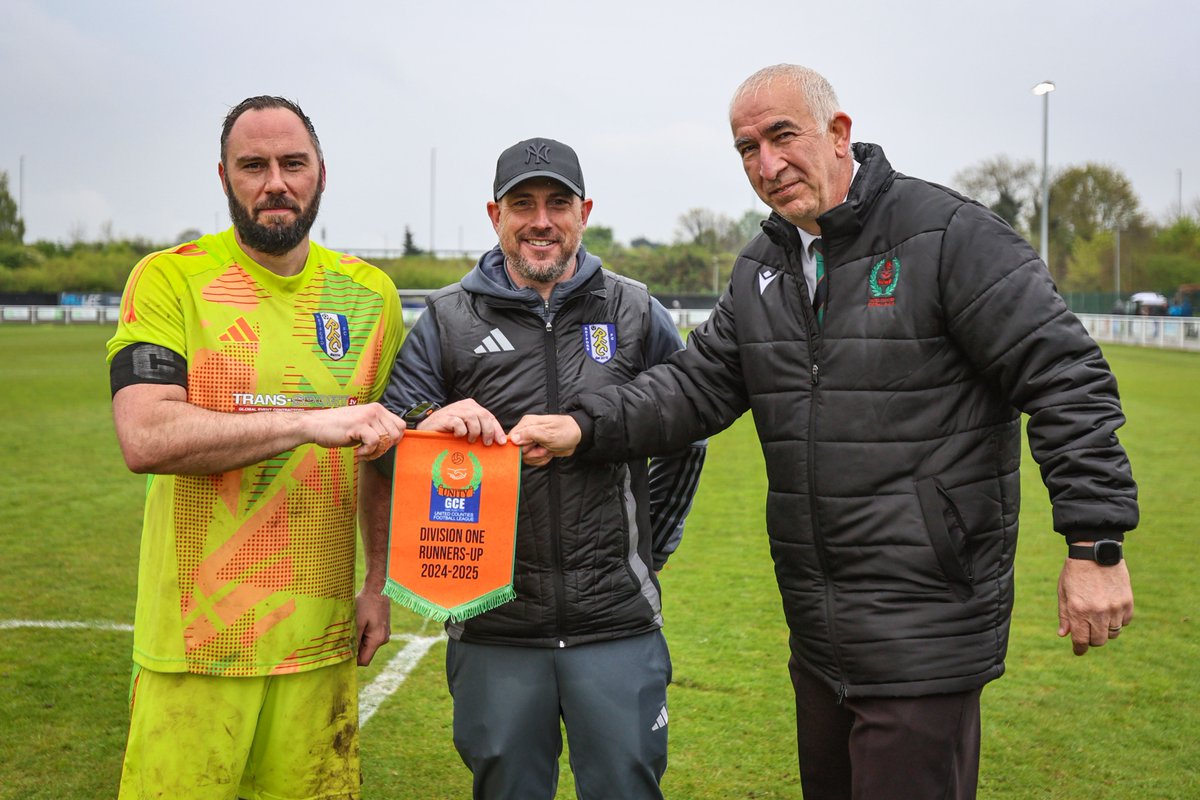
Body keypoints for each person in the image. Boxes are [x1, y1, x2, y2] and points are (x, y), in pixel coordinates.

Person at [511, 65, 1138, 800]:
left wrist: (1095, 544)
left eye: (783, 137)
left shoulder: (949, 235)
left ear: (839, 133)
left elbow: (1066, 375)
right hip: (817, 632)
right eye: (747, 148)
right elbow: (694, 386)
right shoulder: (764, 264)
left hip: (923, 626)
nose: (766, 165)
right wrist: (582, 425)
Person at [377, 137, 706, 799]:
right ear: (494, 214)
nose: (541, 220)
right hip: (495, 624)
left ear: (584, 211)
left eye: (558, 203)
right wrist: (425, 426)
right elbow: (389, 435)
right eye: (522, 203)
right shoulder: (446, 319)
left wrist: (645, 550)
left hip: (614, 624)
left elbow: (686, 423)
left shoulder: (637, 311)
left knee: (625, 788)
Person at [106, 95, 405, 800]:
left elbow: (384, 456)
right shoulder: (170, 278)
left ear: (321, 174)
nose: (276, 181)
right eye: (254, 165)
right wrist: (306, 422)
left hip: (319, 645)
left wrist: (378, 583)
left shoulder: (370, 296)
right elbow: (145, 435)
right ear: (224, 178)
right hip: (193, 648)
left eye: (292, 163)